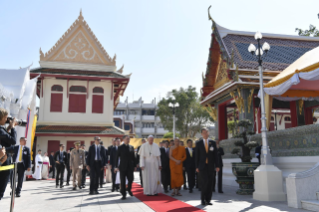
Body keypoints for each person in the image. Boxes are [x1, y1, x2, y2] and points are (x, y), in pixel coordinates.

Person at [195, 128, 220, 206]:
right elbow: (196, 156)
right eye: (203, 133)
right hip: (202, 166)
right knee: (204, 183)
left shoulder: (212, 142)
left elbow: (216, 155)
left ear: (208, 133)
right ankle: (203, 199)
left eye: (206, 132)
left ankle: (208, 200)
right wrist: (197, 166)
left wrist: (217, 165)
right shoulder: (198, 143)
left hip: (210, 166)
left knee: (210, 183)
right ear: (201, 134)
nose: (205, 134)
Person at [0, 108, 17, 201]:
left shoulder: (1, 129)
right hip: (3, 166)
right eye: (6, 118)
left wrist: (9, 128)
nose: (7, 120)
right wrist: (13, 127)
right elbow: (13, 141)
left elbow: (5, 139)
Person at [115, 135, 136, 200]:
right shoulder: (120, 147)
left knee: (131, 179)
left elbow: (133, 157)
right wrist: (116, 166)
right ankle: (123, 194)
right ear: (123, 140)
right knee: (123, 181)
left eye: (129, 139)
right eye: (127, 139)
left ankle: (129, 189)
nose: (128, 140)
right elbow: (117, 157)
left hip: (130, 166)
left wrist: (135, 165)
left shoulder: (131, 147)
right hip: (122, 166)